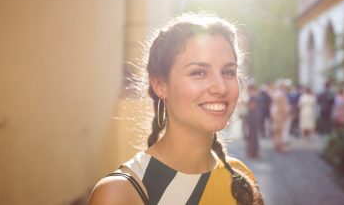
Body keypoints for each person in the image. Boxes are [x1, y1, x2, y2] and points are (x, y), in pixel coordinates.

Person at [88, 14, 263, 205]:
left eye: (229, 72)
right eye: (199, 72)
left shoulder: (241, 178)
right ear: (160, 84)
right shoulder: (121, 193)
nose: (220, 87)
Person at [270, 80, 290, 152]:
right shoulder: (281, 94)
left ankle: (276, 144)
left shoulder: (276, 93)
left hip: (275, 113)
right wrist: (284, 114)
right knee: (280, 130)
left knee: (276, 130)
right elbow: (280, 105)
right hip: (279, 114)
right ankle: (280, 146)